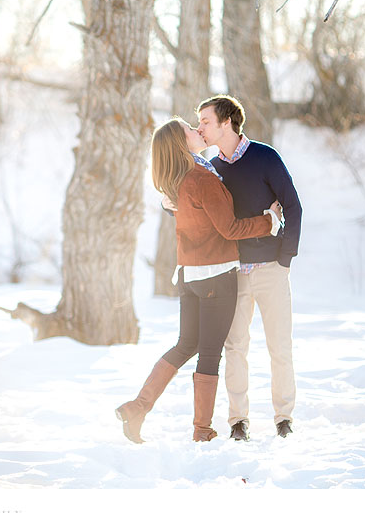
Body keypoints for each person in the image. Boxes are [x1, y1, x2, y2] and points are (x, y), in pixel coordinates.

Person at [115, 117, 282, 444]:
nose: (198, 131)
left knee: (186, 344)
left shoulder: (178, 181)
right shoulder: (201, 177)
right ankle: (202, 430)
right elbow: (230, 229)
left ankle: (138, 406)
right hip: (216, 275)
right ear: (182, 143)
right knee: (208, 353)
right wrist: (269, 221)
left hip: (189, 275)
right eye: (191, 130)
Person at [195, 94, 302, 441]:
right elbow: (197, 206)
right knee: (235, 346)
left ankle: (284, 417)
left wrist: (284, 259)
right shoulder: (213, 167)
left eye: (205, 121)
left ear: (227, 122)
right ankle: (238, 421)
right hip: (233, 273)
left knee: (279, 346)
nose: (201, 128)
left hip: (271, 267)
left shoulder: (265, 157)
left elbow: (293, 207)